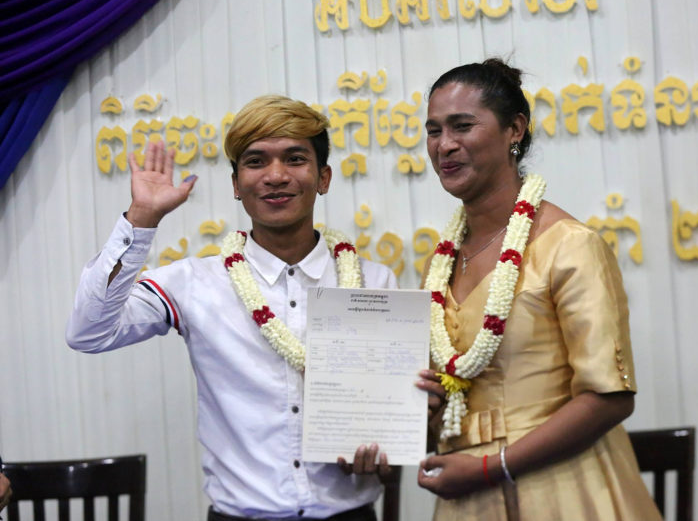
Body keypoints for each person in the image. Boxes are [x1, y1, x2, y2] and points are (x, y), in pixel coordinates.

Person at [67, 95, 396, 521]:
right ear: (237, 185)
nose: (276, 176)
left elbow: (386, 406)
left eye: (295, 159)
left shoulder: (374, 281)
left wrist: (382, 446)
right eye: (256, 161)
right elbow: (88, 332)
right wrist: (141, 218)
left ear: (324, 177)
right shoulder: (194, 283)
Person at [414, 59, 664, 520]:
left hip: (565, 490)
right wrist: (426, 411)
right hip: (469, 497)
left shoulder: (569, 245)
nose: (444, 145)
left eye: (462, 126)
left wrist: (493, 467)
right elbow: (448, 397)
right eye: (433, 131)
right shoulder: (439, 264)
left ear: (515, 129)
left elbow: (609, 397)